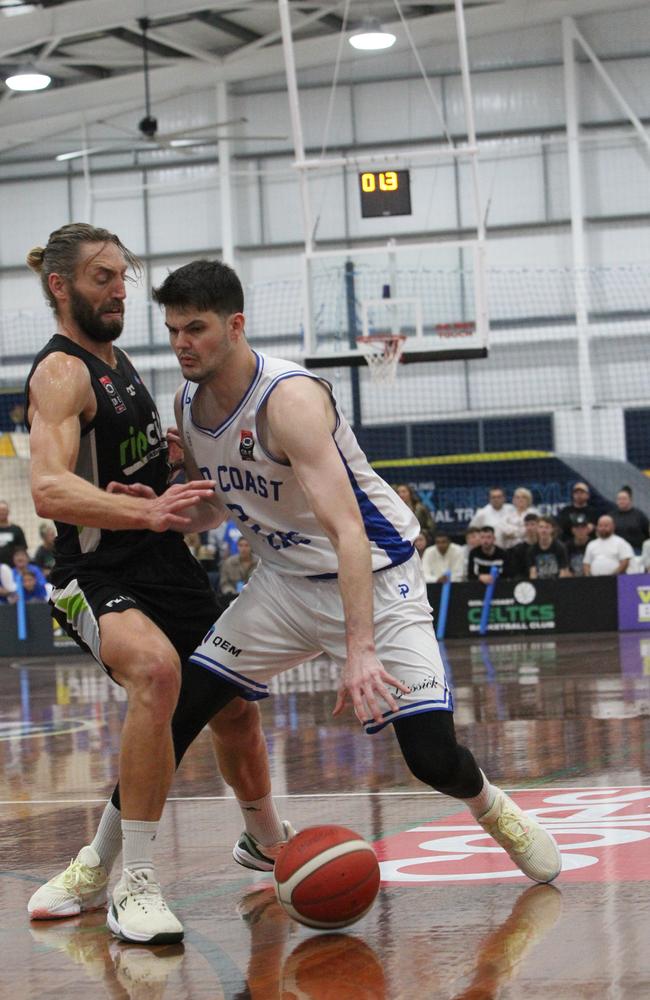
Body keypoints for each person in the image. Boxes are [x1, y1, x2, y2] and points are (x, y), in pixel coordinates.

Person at [100, 258, 559, 890]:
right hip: (283, 586)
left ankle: (491, 807)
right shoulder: (187, 400)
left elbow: (350, 533)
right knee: (178, 711)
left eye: (196, 328)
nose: (182, 343)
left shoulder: (290, 401)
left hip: (376, 578)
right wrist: (158, 512)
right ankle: (99, 866)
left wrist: (360, 648)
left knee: (430, 759)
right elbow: (224, 503)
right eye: (174, 329)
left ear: (235, 326)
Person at [23, 224, 290, 945]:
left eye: (121, 277)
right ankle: (132, 881)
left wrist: (167, 472)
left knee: (232, 708)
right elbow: (48, 489)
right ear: (61, 286)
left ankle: (266, 839)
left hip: (162, 564)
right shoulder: (60, 373)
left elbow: (124, 476)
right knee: (157, 671)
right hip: (94, 572)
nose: (118, 290)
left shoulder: (120, 363)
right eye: (102, 277)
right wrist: (143, 507)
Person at [611, 486, 649, 554]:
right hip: (616, 551)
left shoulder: (639, 515)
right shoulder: (611, 516)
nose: (621, 501)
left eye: (624, 499)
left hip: (636, 550)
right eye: (619, 499)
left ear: (630, 499)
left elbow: (648, 532)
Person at [503, 512, 539, 580]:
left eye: (532, 524)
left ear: (538, 526)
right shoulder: (518, 549)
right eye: (527, 525)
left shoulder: (543, 546)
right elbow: (516, 573)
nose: (529, 528)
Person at [565, 513, 591, 577]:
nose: (580, 531)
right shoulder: (566, 546)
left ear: (587, 529)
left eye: (583, 527)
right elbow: (565, 567)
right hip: (572, 580)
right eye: (577, 528)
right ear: (572, 530)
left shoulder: (593, 544)